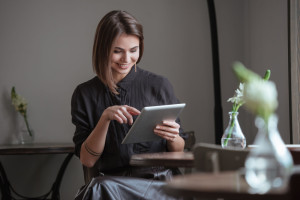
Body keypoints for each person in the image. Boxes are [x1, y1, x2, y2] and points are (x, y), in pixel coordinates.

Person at [71, 10, 186, 200]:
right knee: (99, 188)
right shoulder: (85, 94)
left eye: (133, 50)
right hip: (112, 186)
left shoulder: (159, 85)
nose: (126, 59)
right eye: (117, 51)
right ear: (103, 49)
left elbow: (178, 151)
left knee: (97, 190)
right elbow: (88, 160)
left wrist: (173, 136)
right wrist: (105, 118)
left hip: (158, 183)